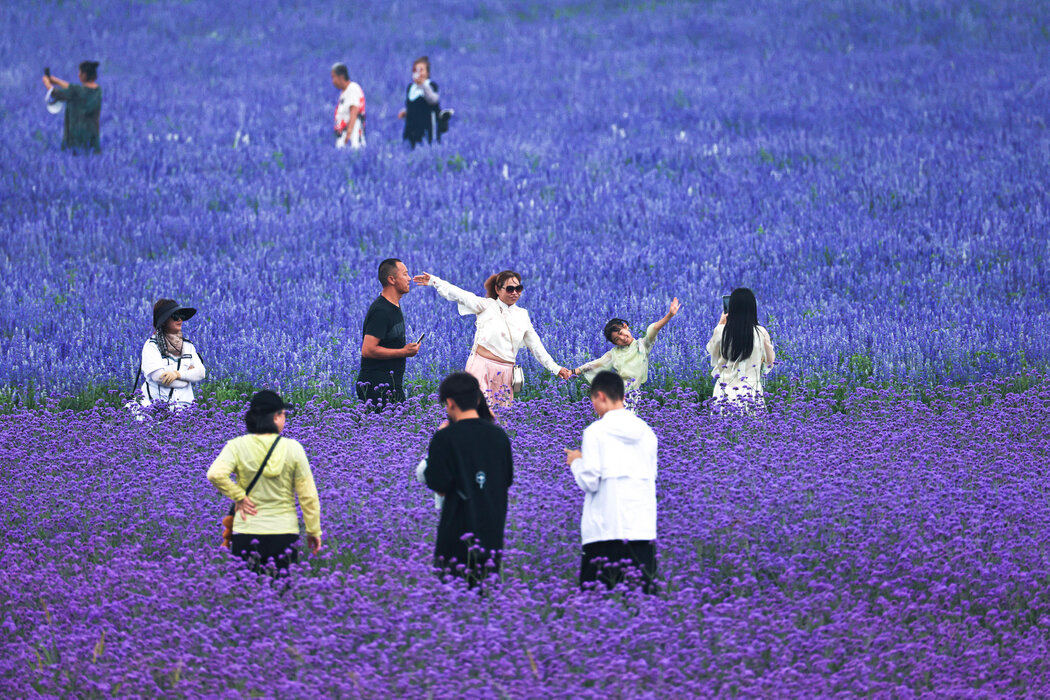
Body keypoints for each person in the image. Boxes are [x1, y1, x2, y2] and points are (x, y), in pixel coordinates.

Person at [413, 269, 571, 405]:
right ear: (498, 289)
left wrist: (556, 368)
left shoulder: (522, 315)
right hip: (481, 368)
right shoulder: (486, 306)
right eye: (510, 289)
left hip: (506, 373)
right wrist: (435, 281)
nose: (515, 293)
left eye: (519, 288)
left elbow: (536, 346)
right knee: (475, 412)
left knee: (500, 418)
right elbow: (461, 295)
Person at [208, 390, 322, 575]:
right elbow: (308, 496)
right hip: (284, 532)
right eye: (283, 414)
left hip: (246, 531)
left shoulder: (236, 446)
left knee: (246, 592)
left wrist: (239, 496)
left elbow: (215, 474)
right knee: (280, 594)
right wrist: (313, 531)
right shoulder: (293, 448)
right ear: (276, 418)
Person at [565, 371, 658, 594]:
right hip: (641, 530)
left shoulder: (596, 432)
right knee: (641, 604)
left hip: (604, 530)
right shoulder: (647, 432)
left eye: (593, 401)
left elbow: (590, 481)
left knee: (597, 603)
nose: (594, 407)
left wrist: (576, 462)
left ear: (601, 396)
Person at [424, 373, 513, 586]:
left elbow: (438, 484)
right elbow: (506, 480)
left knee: (454, 605)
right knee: (485, 603)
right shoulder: (499, 436)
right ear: (478, 399)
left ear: (451, 403)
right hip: (492, 532)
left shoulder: (445, 437)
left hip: (456, 535)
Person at [573, 298, 682, 402]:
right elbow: (593, 365)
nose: (622, 338)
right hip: (616, 393)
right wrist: (572, 372)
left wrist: (669, 315)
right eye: (617, 339)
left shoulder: (642, 346)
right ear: (614, 343)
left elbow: (654, 329)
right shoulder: (614, 353)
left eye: (621, 333)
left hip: (634, 394)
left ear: (625, 326)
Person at [357, 258, 420, 407]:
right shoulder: (381, 311)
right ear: (392, 279)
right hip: (376, 388)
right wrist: (403, 352)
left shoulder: (394, 307)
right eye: (405, 274)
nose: (409, 278)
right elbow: (368, 350)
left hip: (392, 386)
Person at [706, 288, 775, 407]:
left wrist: (720, 324)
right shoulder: (761, 332)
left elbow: (713, 356)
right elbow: (770, 363)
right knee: (752, 425)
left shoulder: (721, 331)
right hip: (751, 393)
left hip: (723, 393)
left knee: (722, 425)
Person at [138, 299, 206, 407]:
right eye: (175, 316)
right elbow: (159, 377)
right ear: (164, 321)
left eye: (181, 316)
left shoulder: (188, 346)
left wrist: (177, 374)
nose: (179, 319)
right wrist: (187, 380)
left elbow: (201, 373)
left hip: (185, 411)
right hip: (154, 411)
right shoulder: (151, 345)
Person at [41, 60, 102, 153]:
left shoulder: (77, 91)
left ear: (84, 75)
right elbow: (73, 88)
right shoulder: (97, 90)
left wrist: (47, 84)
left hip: (76, 135)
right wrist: (56, 80)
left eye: (80, 72)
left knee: (75, 156)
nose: (78, 75)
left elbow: (57, 94)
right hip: (92, 134)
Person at [397, 56, 451, 147]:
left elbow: (433, 100)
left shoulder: (431, 85)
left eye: (421, 70)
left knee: (427, 145)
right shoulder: (411, 87)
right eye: (415, 70)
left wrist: (423, 85)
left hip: (427, 127)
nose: (418, 73)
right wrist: (405, 113)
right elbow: (412, 105)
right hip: (411, 128)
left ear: (427, 73)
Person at [331, 62, 365, 149]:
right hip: (343, 134)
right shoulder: (344, 92)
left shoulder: (352, 89)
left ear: (341, 77)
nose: (333, 81)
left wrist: (348, 134)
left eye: (334, 77)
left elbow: (354, 112)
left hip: (352, 136)